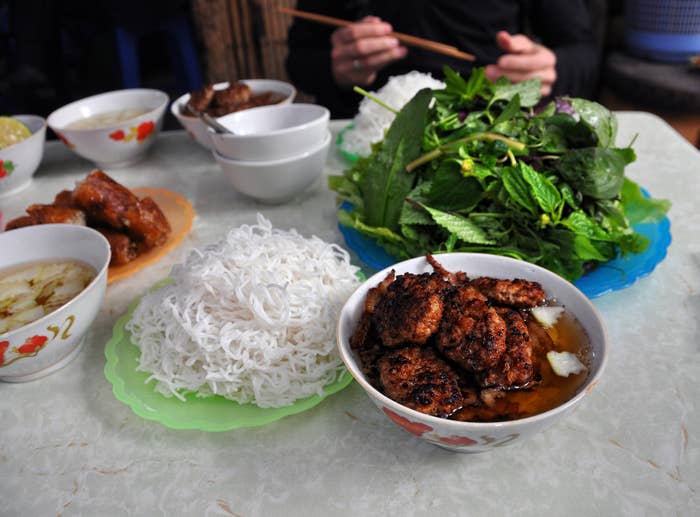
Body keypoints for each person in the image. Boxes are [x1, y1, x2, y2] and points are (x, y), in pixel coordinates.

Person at [286, 1, 599, 118]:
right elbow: (298, 61)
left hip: (491, 122)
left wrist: (549, 68)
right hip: (365, 130)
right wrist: (337, 69)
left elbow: (582, 50)